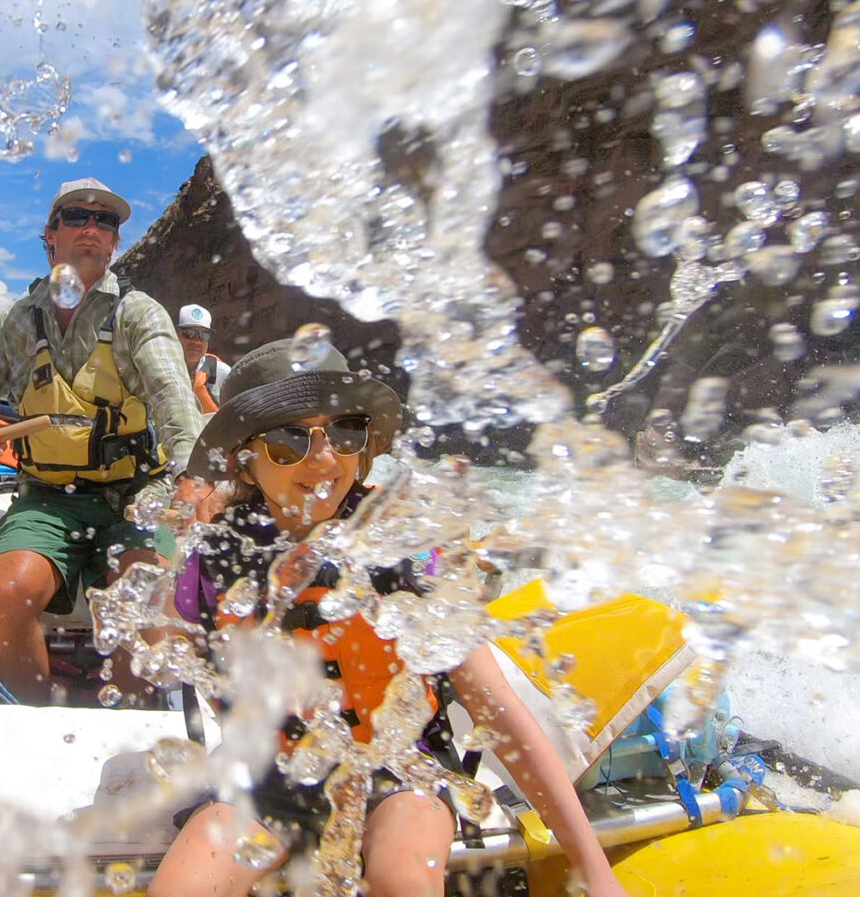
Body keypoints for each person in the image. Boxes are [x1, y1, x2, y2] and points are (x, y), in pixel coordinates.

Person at [149, 338, 628, 897]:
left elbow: (499, 712)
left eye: (345, 432)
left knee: (401, 877)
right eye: (287, 439)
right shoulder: (215, 562)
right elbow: (169, 649)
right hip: (267, 785)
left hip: (398, 777)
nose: (325, 460)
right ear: (246, 464)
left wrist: (594, 870)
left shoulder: (405, 552)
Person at [0, 177, 202, 703]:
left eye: (106, 221)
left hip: (134, 496)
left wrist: (192, 476)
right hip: (48, 499)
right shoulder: (18, 321)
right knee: (9, 590)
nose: (92, 227)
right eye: (77, 216)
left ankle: (129, 729)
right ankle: (34, 718)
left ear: (115, 243)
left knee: (143, 590)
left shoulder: (137, 313)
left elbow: (174, 398)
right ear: (50, 235)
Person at [176, 304, 230, 415]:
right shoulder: (164, 369)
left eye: (204, 335)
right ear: (177, 335)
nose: (196, 342)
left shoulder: (221, 372)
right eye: (189, 334)